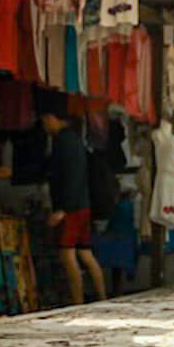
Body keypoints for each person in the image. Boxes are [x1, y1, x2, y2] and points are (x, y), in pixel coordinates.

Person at [40, 98, 106, 305]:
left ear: (52, 119)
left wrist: (62, 209)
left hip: (71, 208)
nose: (44, 125)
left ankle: (78, 301)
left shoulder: (63, 142)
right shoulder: (76, 140)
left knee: (67, 255)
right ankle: (102, 297)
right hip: (83, 204)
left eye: (45, 120)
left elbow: (69, 177)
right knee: (85, 252)